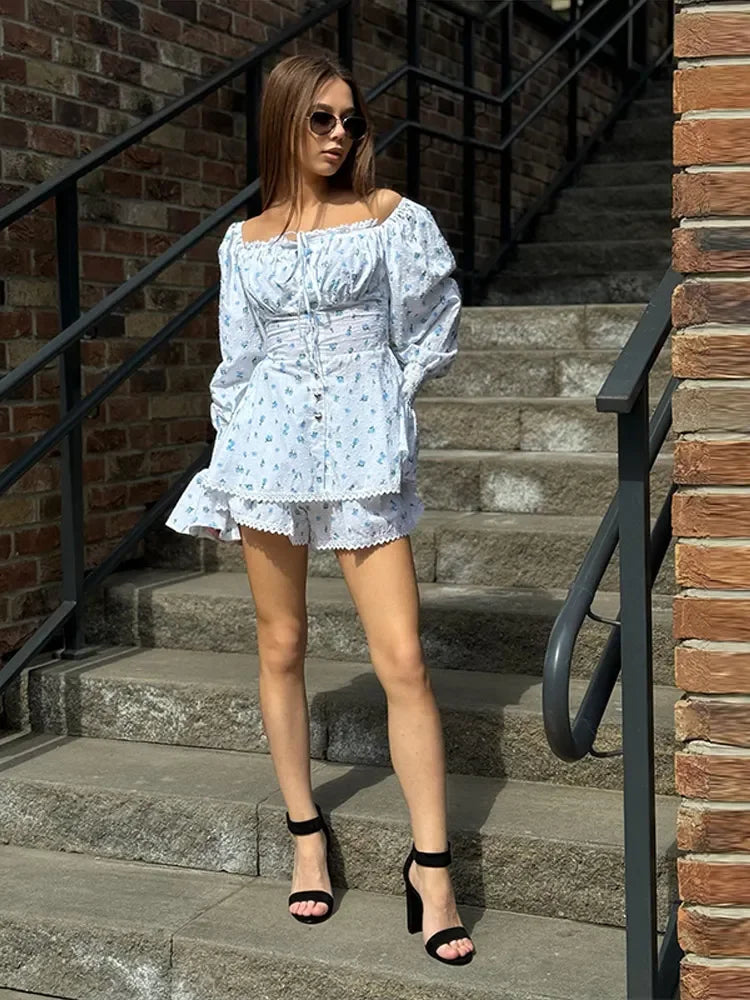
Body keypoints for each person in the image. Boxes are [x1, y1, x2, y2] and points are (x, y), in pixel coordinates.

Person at [166, 53, 475, 967]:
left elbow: (431, 326)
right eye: (322, 120)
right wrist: (230, 453)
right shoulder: (243, 240)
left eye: (351, 120)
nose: (341, 135)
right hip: (266, 453)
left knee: (404, 659)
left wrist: (387, 399)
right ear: (285, 124)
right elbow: (238, 362)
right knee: (282, 644)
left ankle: (433, 867)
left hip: (364, 457)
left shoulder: (390, 219)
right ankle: (307, 833)